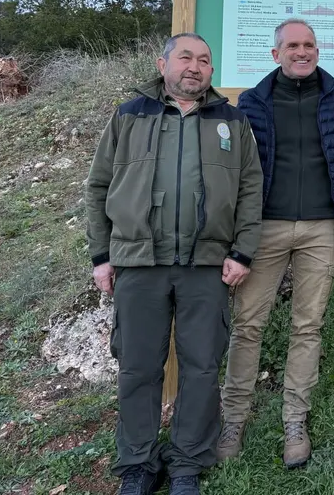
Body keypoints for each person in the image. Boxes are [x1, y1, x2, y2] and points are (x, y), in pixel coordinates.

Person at [85, 33, 262, 495]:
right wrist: (101, 256)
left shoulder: (232, 120)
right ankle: (138, 464)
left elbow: (249, 191)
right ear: (162, 63)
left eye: (205, 60)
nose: (195, 67)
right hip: (138, 262)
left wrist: (242, 251)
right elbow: (98, 187)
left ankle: (187, 462)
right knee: (139, 366)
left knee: (202, 366)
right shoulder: (130, 115)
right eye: (186, 57)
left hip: (206, 264)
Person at [217, 19, 334, 468]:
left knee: (307, 327)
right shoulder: (251, 103)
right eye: (292, 45)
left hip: (321, 229)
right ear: (276, 54)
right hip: (264, 229)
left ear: (318, 50)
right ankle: (232, 419)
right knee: (248, 326)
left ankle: (295, 420)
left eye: (309, 44)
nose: (302, 51)